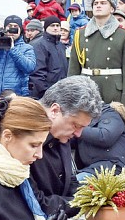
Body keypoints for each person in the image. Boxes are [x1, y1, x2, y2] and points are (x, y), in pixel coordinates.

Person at [30, 76, 103, 213]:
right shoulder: (20, 134)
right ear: (55, 111)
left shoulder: (60, 133)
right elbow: (34, 202)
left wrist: (100, 196)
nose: (78, 134)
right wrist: (84, 203)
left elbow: (68, 182)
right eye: (75, 125)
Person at [68, 0, 125, 113]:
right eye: (95, 3)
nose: (98, 5)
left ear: (112, 9)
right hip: (86, 92)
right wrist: (72, 96)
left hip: (113, 93)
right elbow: (73, 69)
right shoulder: (80, 34)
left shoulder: (124, 35)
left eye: (103, 3)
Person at [73, 101, 125, 180]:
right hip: (95, 168)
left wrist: (77, 129)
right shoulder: (86, 119)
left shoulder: (110, 113)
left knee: (75, 183)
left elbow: (105, 136)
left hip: (113, 166)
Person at [0, 14, 36, 98]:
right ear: (5, 28)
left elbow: (29, 68)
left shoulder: (27, 48)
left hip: (17, 96)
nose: (12, 29)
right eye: (9, 26)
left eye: (15, 26)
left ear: (20, 30)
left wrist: (12, 49)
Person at [29, 15, 68, 99]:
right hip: (46, 94)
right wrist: (45, 92)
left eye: (57, 25)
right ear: (46, 27)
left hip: (62, 92)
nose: (55, 28)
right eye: (52, 25)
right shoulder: (40, 45)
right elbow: (37, 73)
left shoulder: (61, 45)